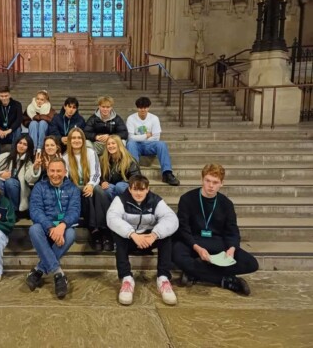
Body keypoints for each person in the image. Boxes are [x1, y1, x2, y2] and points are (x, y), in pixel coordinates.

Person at [172, 164, 259, 296]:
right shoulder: (187, 199)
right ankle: (225, 280)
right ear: (202, 180)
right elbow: (183, 229)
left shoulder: (226, 204)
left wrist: (232, 249)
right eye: (207, 181)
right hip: (193, 242)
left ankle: (195, 273)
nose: (210, 186)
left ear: (221, 184)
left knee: (251, 263)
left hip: (217, 242)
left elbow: (232, 231)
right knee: (176, 254)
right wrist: (197, 248)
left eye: (215, 182)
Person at [107, 175, 179, 306]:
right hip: (131, 239)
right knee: (118, 234)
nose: (139, 193)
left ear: (147, 189)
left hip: (149, 239)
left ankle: (163, 278)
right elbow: (112, 218)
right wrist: (132, 234)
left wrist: (154, 235)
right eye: (135, 189)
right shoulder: (120, 200)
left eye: (142, 190)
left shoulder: (155, 200)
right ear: (129, 189)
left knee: (166, 234)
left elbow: (171, 218)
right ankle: (127, 279)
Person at [26, 158, 81, 299]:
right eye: (52, 171)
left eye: (58, 171)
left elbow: (74, 211)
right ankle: (58, 273)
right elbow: (35, 211)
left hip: (64, 227)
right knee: (34, 229)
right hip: (46, 226)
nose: (55, 174)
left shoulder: (73, 188)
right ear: (48, 171)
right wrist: (50, 227)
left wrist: (62, 225)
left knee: (70, 234)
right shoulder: (40, 187)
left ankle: (39, 270)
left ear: (65, 172)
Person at [62, 128, 112, 252]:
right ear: (69, 140)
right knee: (84, 193)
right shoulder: (65, 157)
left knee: (100, 191)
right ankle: (95, 232)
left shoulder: (90, 152)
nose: (76, 140)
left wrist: (90, 184)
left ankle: (104, 230)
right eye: (73, 138)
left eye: (79, 138)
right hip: (74, 188)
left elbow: (96, 173)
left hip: (91, 184)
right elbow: (65, 178)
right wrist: (80, 188)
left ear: (83, 140)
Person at [126, 97, 180, 186]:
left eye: (145, 107)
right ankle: (135, 174)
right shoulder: (131, 118)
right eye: (140, 107)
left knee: (161, 144)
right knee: (130, 144)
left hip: (149, 145)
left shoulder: (154, 118)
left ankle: (167, 173)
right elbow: (131, 138)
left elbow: (156, 138)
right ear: (137, 108)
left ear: (148, 107)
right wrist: (146, 135)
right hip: (136, 146)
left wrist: (139, 137)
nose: (143, 110)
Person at [0, 134, 41, 216]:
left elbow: (29, 179)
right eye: (20, 143)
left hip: (18, 193)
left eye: (25, 144)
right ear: (16, 143)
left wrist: (35, 168)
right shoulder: (4, 156)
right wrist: (0, 174)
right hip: (2, 187)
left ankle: (13, 212)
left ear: (28, 148)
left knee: (10, 182)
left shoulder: (28, 163)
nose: (21, 146)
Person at [100, 135, 141, 201]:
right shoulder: (103, 160)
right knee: (107, 189)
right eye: (108, 144)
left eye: (113, 143)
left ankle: (126, 205)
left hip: (128, 186)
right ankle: (116, 207)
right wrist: (103, 182)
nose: (111, 146)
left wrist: (123, 183)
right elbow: (100, 176)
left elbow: (136, 177)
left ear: (119, 145)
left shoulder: (129, 159)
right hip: (113, 187)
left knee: (119, 186)